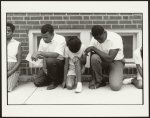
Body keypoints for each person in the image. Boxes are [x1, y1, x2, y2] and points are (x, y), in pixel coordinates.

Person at [85, 25, 125, 91]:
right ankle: (100, 81)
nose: (98, 40)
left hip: (116, 61)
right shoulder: (94, 39)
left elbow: (110, 58)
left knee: (115, 87)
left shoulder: (115, 38)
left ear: (104, 32)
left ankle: (117, 75)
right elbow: (92, 59)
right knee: (94, 57)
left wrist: (94, 48)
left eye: (100, 38)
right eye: (96, 38)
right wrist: (93, 78)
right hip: (103, 61)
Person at [31, 24, 66, 90]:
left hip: (59, 65)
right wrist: (44, 68)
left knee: (50, 60)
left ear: (52, 34)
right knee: (37, 82)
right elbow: (44, 56)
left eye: (46, 37)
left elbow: (56, 55)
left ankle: (54, 82)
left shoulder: (60, 39)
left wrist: (39, 52)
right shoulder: (42, 40)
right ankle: (56, 79)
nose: (44, 39)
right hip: (48, 66)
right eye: (42, 37)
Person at [7, 22, 22, 92]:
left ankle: (14, 80)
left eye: (9, 31)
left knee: (7, 88)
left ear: (12, 32)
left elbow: (19, 61)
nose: (6, 32)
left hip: (13, 69)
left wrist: (9, 73)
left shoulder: (17, 44)